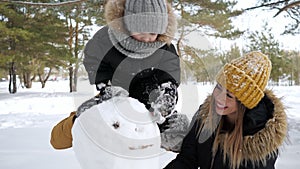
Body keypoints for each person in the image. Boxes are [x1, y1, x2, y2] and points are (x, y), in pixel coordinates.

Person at [50, 0, 189, 152]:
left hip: (152, 104)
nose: (147, 38)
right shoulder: (105, 40)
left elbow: (169, 74)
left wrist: (168, 94)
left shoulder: (165, 47)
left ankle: (153, 146)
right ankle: (80, 124)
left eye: (152, 33)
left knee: (180, 132)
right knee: (62, 137)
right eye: (141, 32)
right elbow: (95, 62)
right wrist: (105, 87)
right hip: (115, 99)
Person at [164, 51, 288, 169]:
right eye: (218, 87)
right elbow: (187, 160)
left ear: (244, 103)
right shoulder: (205, 115)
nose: (219, 97)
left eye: (229, 95)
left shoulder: (260, 141)